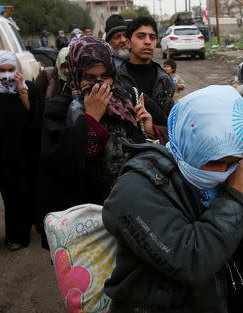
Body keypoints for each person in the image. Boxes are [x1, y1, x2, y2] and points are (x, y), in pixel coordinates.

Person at [102, 85, 243, 312]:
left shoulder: (233, 177)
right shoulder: (134, 189)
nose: (223, 172)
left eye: (233, 162)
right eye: (215, 163)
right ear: (190, 144)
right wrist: (235, 199)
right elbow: (191, 261)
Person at [36, 36, 167, 249]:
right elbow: (58, 167)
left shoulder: (130, 99)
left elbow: (171, 132)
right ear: (76, 75)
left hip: (138, 210)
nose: (99, 84)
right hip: (90, 220)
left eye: (105, 76)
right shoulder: (59, 111)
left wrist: (150, 128)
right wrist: (90, 120)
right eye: (90, 77)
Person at [0, 50, 43, 251]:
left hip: (31, 152)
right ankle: (17, 236)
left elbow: (38, 118)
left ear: (18, 69)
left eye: (10, 69)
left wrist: (22, 91)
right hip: (6, 157)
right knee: (12, 196)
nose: (6, 75)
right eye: (1, 70)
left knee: (36, 191)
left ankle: (41, 226)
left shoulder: (30, 88)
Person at [117, 16, 175, 116]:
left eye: (152, 37)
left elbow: (168, 123)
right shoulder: (116, 77)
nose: (148, 41)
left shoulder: (164, 81)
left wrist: (153, 130)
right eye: (141, 36)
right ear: (128, 43)